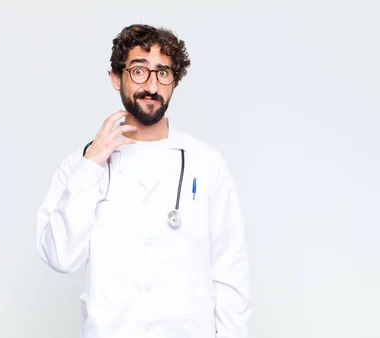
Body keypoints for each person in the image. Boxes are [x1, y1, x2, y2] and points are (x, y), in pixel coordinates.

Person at [35, 24, 251, 338]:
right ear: (115, 77)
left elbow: (231, 272)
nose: (151, 85)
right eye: (139, 71)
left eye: (163, 73)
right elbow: (60, 256)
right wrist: (92, 164)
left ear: (174, 81)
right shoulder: (80, 166)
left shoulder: (206, 164)